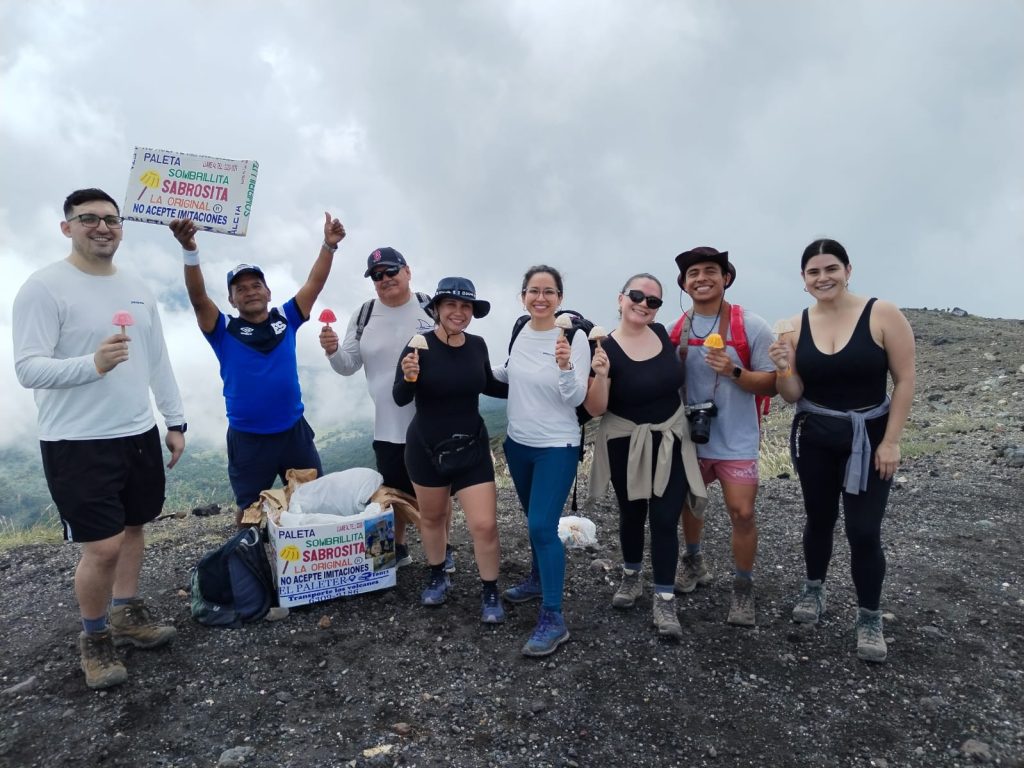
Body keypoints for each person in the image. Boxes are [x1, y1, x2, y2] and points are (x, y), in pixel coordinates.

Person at [13, 188, 186, 690]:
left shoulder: (136, 286)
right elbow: (28, 368)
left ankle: (127, 612)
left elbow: (157, 358)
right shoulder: (44, 288)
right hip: (77, 439)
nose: (102, 227)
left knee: (134, 526)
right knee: (103, 547)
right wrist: (92, 364)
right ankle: (94, 638)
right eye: (88, 219)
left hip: (137, 431)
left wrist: (175, 422)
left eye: (111, 219)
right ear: (67, 227)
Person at [768, 238, 915, 663]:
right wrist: (782, 368)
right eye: (813, 272)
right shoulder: (794, 327)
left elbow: (904, 380)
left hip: (870, 436)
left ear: (848, 270)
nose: (823, 277)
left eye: (831, 268)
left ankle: (869, 616)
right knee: (819, 519)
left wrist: (891, 441)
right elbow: (792, 393)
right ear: (803, 279)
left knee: (864, 531)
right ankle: (813, 589)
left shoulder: (882, 314)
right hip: (816, 436)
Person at [168, 213, 342, 513]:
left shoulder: (286, 318)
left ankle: (308, 559)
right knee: (251, 512)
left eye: (256, 285)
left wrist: (328, 245)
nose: (250, 291)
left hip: (294, 433)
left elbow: (315, 283)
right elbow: (198, 297)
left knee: (313, 503)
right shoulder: (222, 329)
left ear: (268, 292)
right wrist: (189, 249)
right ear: (232, 300)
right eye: (241, 289)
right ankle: (252, 558)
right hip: (248, 439)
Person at [586, 273, 706, 641]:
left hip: (671, 439)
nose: (644, 304)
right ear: (621, 298)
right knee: (633, 513)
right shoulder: (605, 347)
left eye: (653, 301)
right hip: (626, 442)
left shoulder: (660, 335)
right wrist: (602, 376)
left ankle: (665, 597)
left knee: (666, 518)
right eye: (637, 296)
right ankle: (632, 575)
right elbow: (595, 409)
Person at [318, 246, 454, 570]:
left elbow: (454, 351)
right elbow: (347, 365)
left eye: (391, 271)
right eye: (377, 276)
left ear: (407, 271)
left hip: (432, 421)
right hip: (387, 425)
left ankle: (444, 549)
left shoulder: (429, 307)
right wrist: (333, 350)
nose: (385, 279)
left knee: (438, 493)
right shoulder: (364, 314)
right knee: (392, 493)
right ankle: (398, 549)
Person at [672, 247, 778, 626]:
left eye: (710, 271)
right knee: (691, 505)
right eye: (693, 274)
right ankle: (694, 560)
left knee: (743, 512)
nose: (701, 278)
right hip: (692, 439)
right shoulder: (675, 330)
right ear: (684, 284)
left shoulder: (752, 326)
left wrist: (734, 371)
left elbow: (773, 382)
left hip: (737, 438)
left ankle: (743, 589)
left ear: (726, 277)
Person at [393, 277, 508, 622]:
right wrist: (409, 376)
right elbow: (400, 397)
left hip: (471, 446)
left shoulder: (478, 345)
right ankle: (437, 574)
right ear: (437, 309)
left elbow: (488, 383)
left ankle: (490, 592)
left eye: (466, 306)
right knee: (432, 518)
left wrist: (532, 386)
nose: (458, 313)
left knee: (485, 525)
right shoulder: (418, 346)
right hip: (426, 448)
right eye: (450, 305)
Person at [492, 265, 591, 656]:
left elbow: (577, 398)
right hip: (519, 444)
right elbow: (508, 373)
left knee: (542, 527)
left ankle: (553, 618)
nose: (541, 298)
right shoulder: (520, 330)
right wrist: (464, 368)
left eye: (549, 292)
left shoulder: (574, 338)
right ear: (523, 296)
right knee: (534, 523)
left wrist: (565, 365)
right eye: (533, 291)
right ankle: (537, 579)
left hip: (557, 446)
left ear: (560, 298)